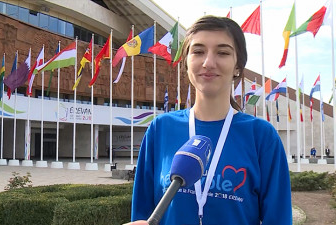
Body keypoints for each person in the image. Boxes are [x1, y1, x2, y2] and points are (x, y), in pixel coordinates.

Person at [124, 15, 292, 225]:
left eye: (222, 52)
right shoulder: (161, 129)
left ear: (238, 66)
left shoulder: (262, 136)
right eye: (198, 51)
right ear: (186, 63)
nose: (208, 62)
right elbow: (142, 213)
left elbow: (278, 219)